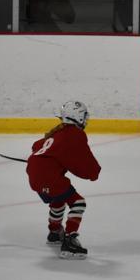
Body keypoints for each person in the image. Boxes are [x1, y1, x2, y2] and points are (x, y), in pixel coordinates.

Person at [26, 101, 101, 259]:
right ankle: (70, 240)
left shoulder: (58, 131)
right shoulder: (75, 134)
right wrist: (94, 173)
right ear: (78, 117)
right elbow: (84, 160)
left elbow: (36, 146)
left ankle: (54, 233)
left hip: (34, 175)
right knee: (78, 203)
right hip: (48, 176)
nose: (86, 119)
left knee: (58, 199)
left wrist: (43, 161)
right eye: (84, 116)